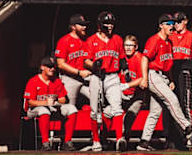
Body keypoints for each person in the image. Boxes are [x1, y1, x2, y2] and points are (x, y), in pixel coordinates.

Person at [136, 14, 192, 151]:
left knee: (155, 111)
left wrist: (170, 80)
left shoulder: (168, 42)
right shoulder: (154, 40)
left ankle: (143, 142)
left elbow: (168, 63)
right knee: (172, 99)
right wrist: (144, 78)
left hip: (163, 77)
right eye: (168, 23)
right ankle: (187, 127)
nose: (171, 26)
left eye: (172, 23)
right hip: (153, 75)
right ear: (161, 25)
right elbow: (144, 59)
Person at [84, 11, 126, 151]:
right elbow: (86, 62)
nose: (110, 26)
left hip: (113, 76)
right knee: (94, 111)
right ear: (100, 25)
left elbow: (121, 59)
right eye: (107, 23)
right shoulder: (92, 40)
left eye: (111, 23)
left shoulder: (118, 39)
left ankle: (120, 138)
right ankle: (96, 140)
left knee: (117, 108)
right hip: (97, 77)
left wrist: (125, 71)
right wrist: (94, 65)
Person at [163, 12, 192, 149]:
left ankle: (187, 138)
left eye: (179, 21)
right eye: (174, 21)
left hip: (185, 75)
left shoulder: (191, 36)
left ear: (185, 21)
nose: (176, 24)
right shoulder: (171, 35)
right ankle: (169, 138)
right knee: (168, 105)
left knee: (184, 105)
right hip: (169, 74)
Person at [23, 56, 78, 151]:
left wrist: (56, 101)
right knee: (44, 110)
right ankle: (45, 143)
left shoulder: (56, 81)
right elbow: (30, 103)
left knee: (72, 109)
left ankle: (67, 142)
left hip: (52, 108)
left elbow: (63, 99)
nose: (52, 69)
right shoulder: (34, 81)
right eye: (49, 66)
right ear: (42, 67)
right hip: (33, 110)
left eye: (53, 67)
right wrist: (45, 102)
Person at [104, 34, 145, 151]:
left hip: (136, 95)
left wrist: (126, 85)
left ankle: (124, 142)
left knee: (129, 117)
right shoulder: (120, 58)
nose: (127, 48)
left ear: (136, 47)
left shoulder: (139, 58)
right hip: (121, 94)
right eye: (126, 45)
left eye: (130, 45)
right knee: (107, 113)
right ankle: (103, 138)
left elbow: (142, 79)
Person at [55, 14, 92, 106]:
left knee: (99, 102)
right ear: (73, 27)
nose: (84, 27)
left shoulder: (87, 40)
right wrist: (79, 72)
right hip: (69, 79)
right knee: (69, 109)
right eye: (81, 25)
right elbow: (60, 64)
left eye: (85, 25)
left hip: (86, 78)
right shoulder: (64, 41)